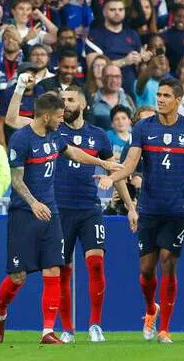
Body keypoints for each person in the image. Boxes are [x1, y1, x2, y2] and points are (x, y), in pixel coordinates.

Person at [0, 92, 122, 345]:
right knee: (19, 277)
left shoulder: (55, 134)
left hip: (52, 212)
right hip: (24, 213)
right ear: (46, 116)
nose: (62, 121)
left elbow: (72, 152)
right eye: (59, 117)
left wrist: (103, 163)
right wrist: (34, 202)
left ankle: (47, 331)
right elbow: (16, 180)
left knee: (54, 268)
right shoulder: (21, 139)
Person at [98, 79, 184, 344]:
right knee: (147, 269)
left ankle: (165, 329)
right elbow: (130, 163)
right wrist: (113, 176)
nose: (160, 99)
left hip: (177, 210)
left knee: (169, 262)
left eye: (166, 95)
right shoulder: (143, 128)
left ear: (178, 100)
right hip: (149, 209)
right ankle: (151, 308)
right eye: (159, 94)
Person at [52, 87, 121, 343]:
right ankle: (68, 329)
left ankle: (95, 324)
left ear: (84, 104)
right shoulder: (54, 131)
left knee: (95, 263)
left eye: (70, 100)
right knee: (62, 270)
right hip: (60, 209)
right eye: (62, 101)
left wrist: (130, 204)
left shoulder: (99, 136)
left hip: (89, 208)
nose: (65, 104)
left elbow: (114, 170)